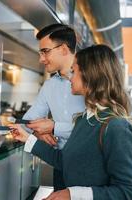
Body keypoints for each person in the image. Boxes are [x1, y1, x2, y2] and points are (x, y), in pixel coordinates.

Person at [11, 45, 132, 199]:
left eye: (74, 71)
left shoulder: (116, 128)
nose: (70, 77)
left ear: (89, 74)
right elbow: (65, 161)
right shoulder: (83, 119)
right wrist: (28, 138)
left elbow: (126, 192)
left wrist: (72, 194)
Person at [22, 24, 85, 190]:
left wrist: (54, 127)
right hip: (60, 163)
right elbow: (28, 119)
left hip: (89, 165)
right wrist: (38, 131)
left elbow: (94, 128)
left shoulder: (91, 79)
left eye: (45, 51)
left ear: (63, 49)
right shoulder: (49, 86)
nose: (41, 59)